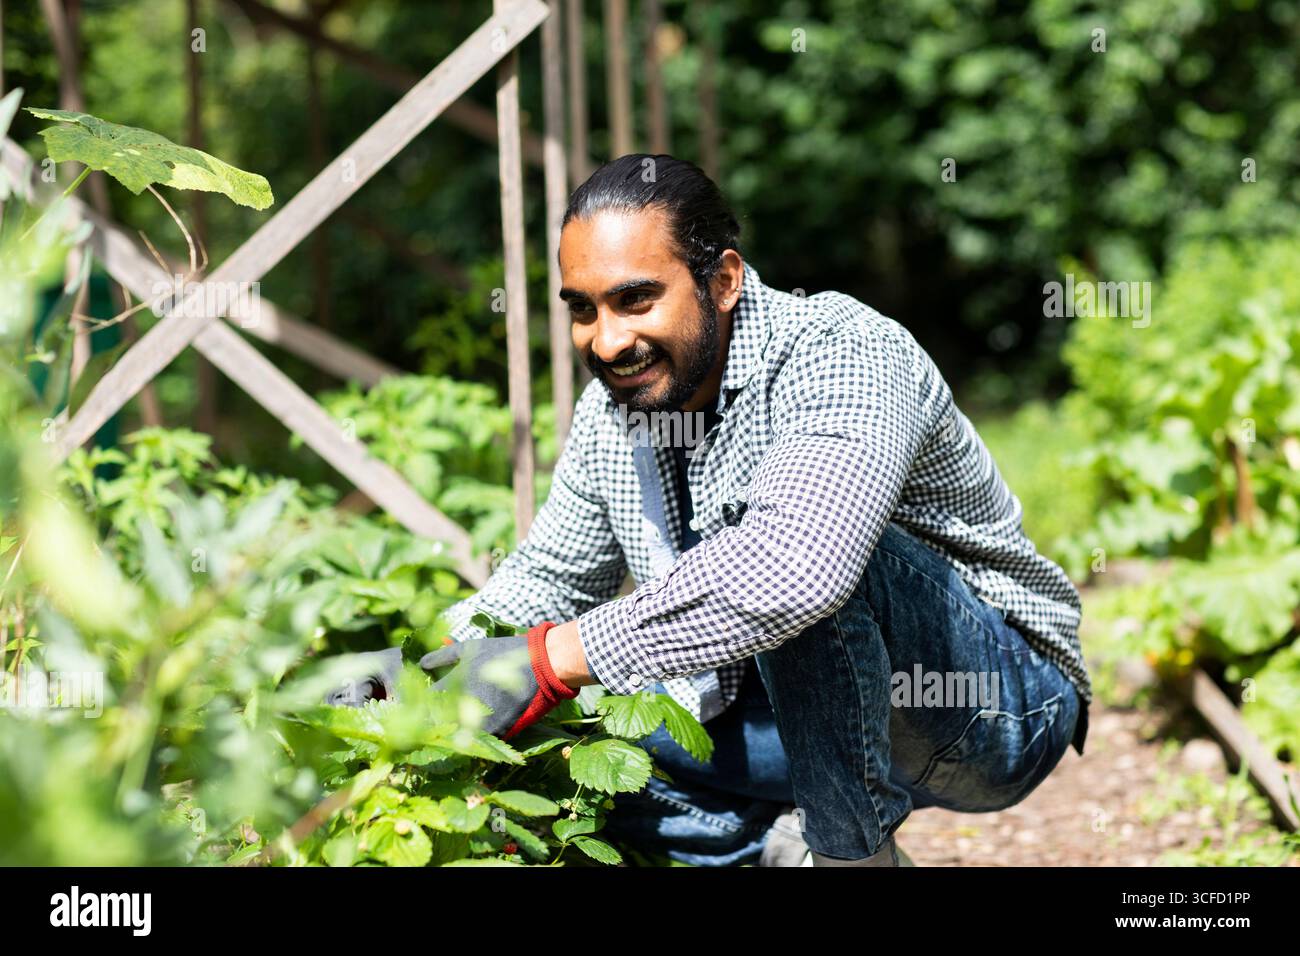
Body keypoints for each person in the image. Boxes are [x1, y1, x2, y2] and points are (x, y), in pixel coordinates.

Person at [422, 154, 1090, 867]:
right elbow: (549, 579)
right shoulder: (613, 410)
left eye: (636, 300)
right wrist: (423, 682)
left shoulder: (840, 349)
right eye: (584, 309)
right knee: (571, 740)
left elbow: (800, 570)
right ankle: (781, 846)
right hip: (795, 722)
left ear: (725, 280)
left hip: (990, 708)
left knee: (796, 556)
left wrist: (552, 658)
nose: (607, 340)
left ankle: (847, 857)